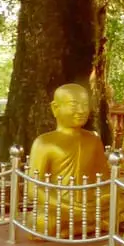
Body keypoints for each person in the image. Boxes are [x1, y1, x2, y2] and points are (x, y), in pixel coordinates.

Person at [28, 83, 108, 237]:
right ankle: (90, 225)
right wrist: (69, 208)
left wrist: (99, 200)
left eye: (85, 105)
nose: (82, 110)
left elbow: (104, 179)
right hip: (60, 208)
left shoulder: (93, 140)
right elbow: (33, 189)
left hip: (91, 204)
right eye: (74, 105)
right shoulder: (44, 143)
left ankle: (79, 226)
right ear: (55, 108)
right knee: (42, 222)